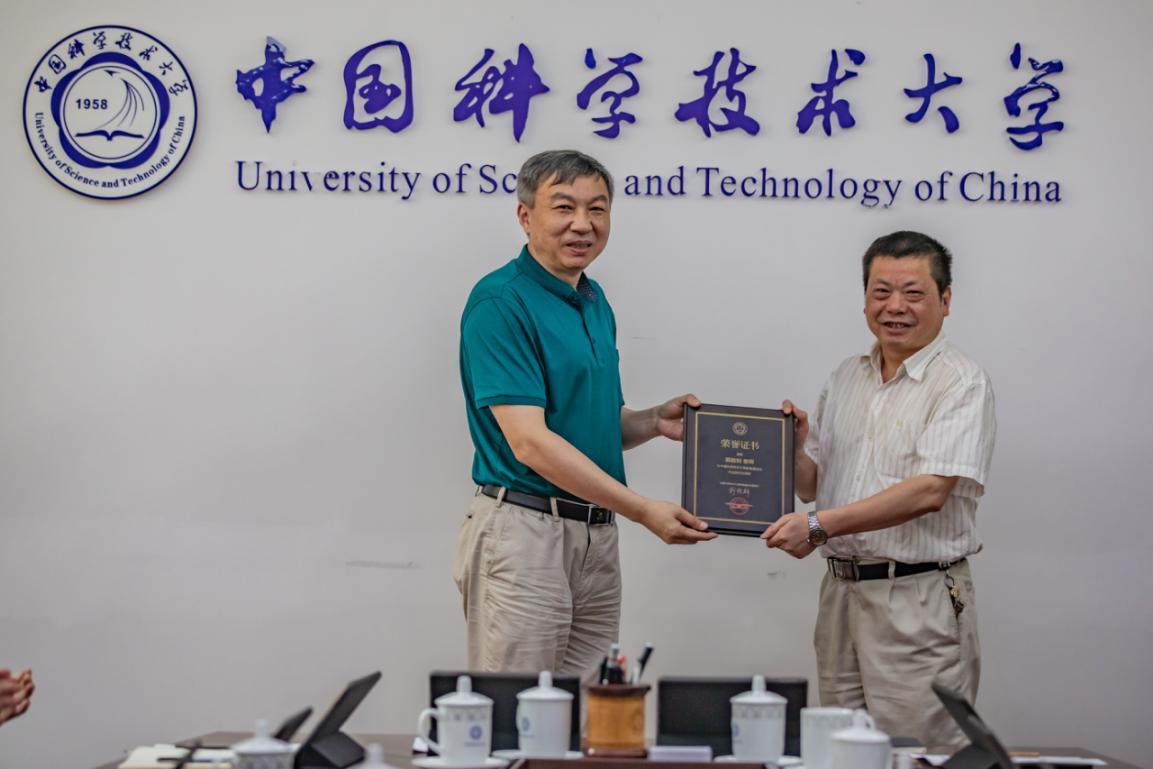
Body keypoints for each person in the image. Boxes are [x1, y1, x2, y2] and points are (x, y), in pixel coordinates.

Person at [455, 149, 716, 677]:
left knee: (591, 707)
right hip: (527, 533)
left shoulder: (594, 301)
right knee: (520, 709)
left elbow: (594, 426)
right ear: (525, 215)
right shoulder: (501, 302)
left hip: (596, 536)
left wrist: (653, 421)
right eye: (564, 207)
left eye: (597, 209)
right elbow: (530, 443)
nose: (583, 224)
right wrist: (642, 509)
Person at [762, 230, 996, 747]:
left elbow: (929, 491)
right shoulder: (847, 377)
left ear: (946, 300)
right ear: (865, 298)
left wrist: (818, 527)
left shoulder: (961, 382)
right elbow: (813, 485)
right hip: (841, 595)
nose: (895, 307)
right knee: (841, 750)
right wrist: (794, 448)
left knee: (919, 752)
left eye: (914, 293)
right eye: (881, 292)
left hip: (916, 597)